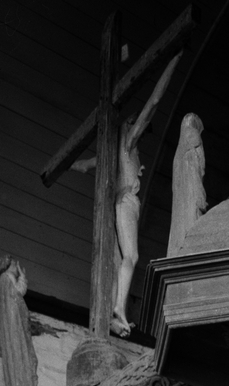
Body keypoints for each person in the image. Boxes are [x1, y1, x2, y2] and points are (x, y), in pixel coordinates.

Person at [75, 52, 182, 336]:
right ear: (131, 126)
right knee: (131, 257)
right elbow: (155, 101)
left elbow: (88, 164)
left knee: (122, 258)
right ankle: (118, 308)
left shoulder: (117, 153)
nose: (142, 132)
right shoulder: (127, 144)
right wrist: (175, 59)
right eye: (140, 127)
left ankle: (116, 308)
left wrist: (75, 164)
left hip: (125, 203)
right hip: (126, 202)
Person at [0, 255, 37, 386]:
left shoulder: (3, 281)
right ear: (8, 266)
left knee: (20, 355)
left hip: (13, 324)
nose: (16, 268)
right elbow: (18, 293)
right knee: (21, 354)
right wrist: (22, 278)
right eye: (14, 265)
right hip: (16, 325)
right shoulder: (7, 278)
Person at [168, 112, 206, 256]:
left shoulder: (178, 157)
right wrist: (200, 198)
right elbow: (197, 175)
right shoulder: (191, 153)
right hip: (191, 201)